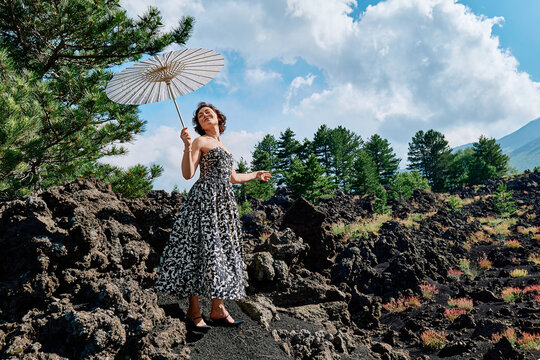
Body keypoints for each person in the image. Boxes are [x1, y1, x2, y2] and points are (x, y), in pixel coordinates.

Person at [154, 102, 271, 331]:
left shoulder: (224, 147)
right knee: (200, 250)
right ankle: (194, 310)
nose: (205, 115)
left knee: (220, 252)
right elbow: (188, 174)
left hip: (223, 205)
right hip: (204, 200)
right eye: (200, 115)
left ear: (219, 118)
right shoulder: (200, 141)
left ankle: (217, 309)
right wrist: (187, 146)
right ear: (198, 124)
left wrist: (255, 175)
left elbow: (233, 178)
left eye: (208, 112)